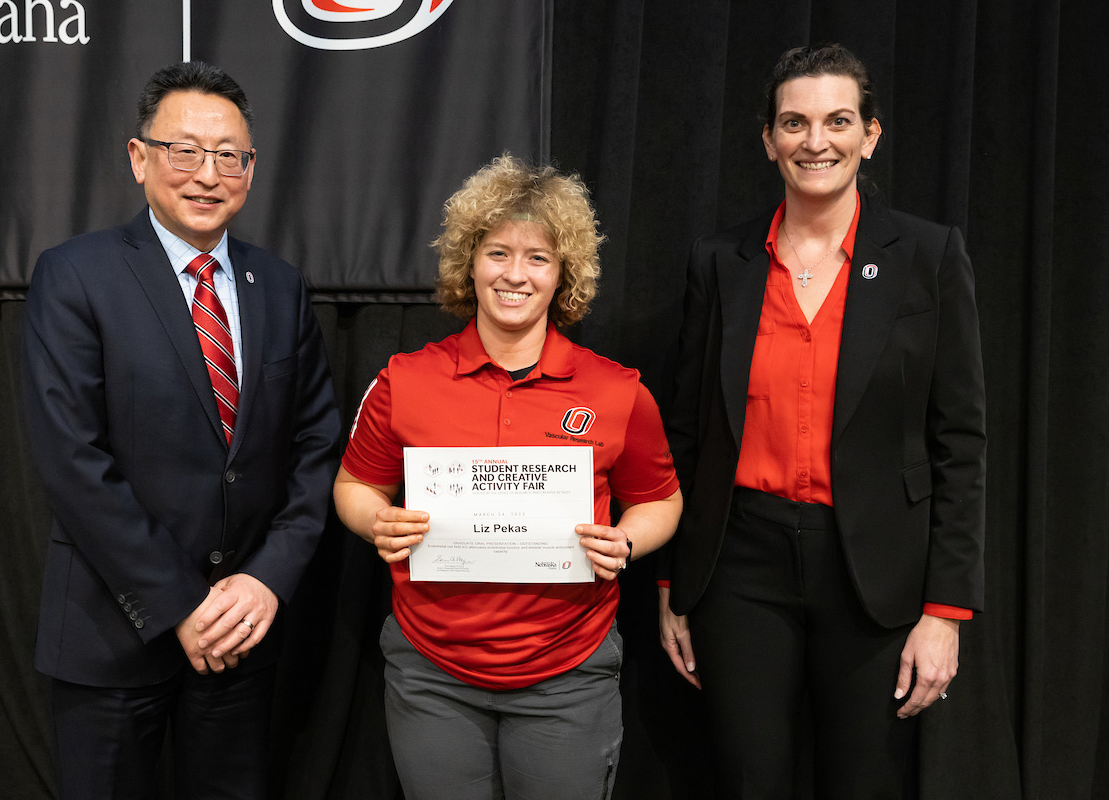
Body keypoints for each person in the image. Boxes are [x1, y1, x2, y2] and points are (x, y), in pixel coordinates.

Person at [659, 43, 986, 798]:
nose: (817, 141)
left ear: (870, 134)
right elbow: (687, 433)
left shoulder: (929, 256)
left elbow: (960, 444)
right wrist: (671, 581)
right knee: (747, 780)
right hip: (739, 564)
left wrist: (945, 611)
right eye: (794, 123)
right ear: (768, 140)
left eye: (838, 121)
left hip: (875, 571)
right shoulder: (720, 260)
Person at [21, 61, 339, 799]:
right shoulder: (75, 275)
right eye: (184, 150)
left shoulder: (282, 287)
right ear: (140, 158)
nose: (207, 173)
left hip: (241, 639)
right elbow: (72, 460)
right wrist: (179, 605)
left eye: (229, 154)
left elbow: (317, 446)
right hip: (112, 638)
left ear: (251, 169)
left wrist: (266, 581)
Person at [333, 155, 682, 799]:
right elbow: (355, 486)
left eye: (538, 258)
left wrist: (627, 540)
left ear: (563, 275)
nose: (515, 274)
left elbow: (661, 498)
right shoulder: (404, 380)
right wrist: (375, 521)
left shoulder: (617, 391)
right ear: (469, 261)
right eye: (497, 252)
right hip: (431, 671)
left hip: (567, 673)